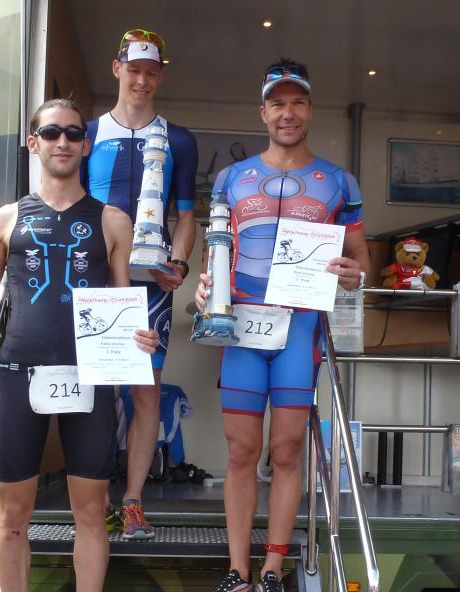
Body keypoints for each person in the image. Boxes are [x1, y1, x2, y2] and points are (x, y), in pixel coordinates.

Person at [0, 99, 159, 592]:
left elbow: (121, 305)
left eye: (73, 133)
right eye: (51, 133)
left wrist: (139, 336)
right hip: (17, 374)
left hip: (89, 377)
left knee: (91, 514)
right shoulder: (6, 218)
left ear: (86, 145)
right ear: (34, 143)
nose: (62, 141)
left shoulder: (114, 221)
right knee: (12, 517)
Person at [195, 59, 370, 592]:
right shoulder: (231, 178)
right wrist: (205, 287)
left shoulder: (338, 181)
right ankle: (237, 570)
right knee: (241, 451)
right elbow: (215, 253)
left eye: (297, 103)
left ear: (310, 110)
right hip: (242, 327)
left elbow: (360, 260)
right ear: (263, 112)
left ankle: (273, 567)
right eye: (278, 103)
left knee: (288, 449)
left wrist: (352, 275)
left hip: (300, 329)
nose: (287, 113)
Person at [80, 28, 198, 540]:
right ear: (117, 68)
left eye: (152, 72)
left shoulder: (179, 139)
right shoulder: (87, 133)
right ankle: (94, 501)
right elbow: (74, 208)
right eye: (134, 70)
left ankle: (132, 503)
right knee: (94, 388)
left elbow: (187, 216)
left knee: (145, 391)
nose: (142, 81)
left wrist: (181, 264)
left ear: (161, 75)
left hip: (152, 282)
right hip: (97, 279)